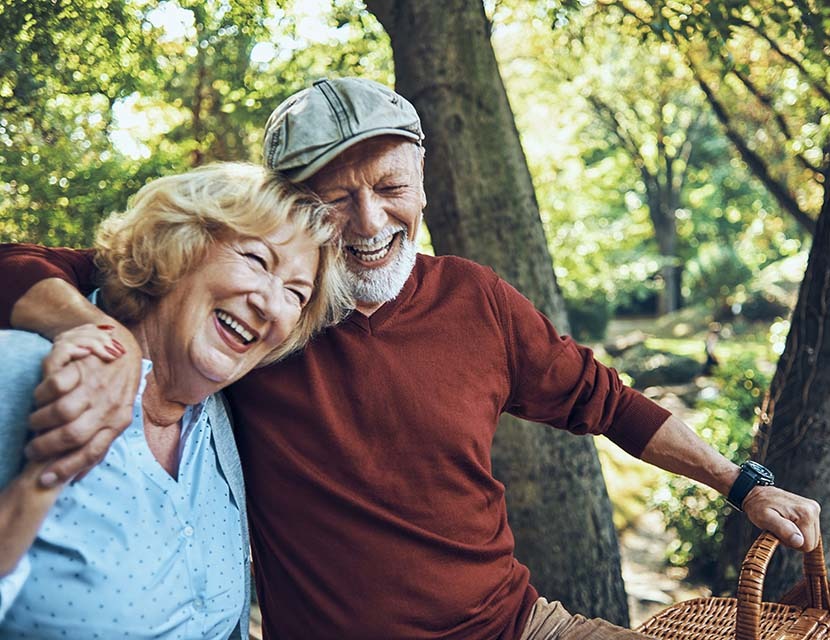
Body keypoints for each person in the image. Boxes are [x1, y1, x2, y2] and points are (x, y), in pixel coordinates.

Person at [0, 78, 821, 640]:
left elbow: (608, 401)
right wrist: (86, 331)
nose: (368, 221)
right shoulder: (247, 321)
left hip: (520, 626)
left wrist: (742, 484)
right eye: (335, 195)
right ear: (291, 210)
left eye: (391, 187)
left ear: (421, 182)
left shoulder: (476, 299)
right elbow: (38, 266)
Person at [0, 161, 350, 639]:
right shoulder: (22, 372)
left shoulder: (225, 424)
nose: (270, 304)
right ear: (179, 246)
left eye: (295, 292)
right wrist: (43, 477)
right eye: (256, 259)